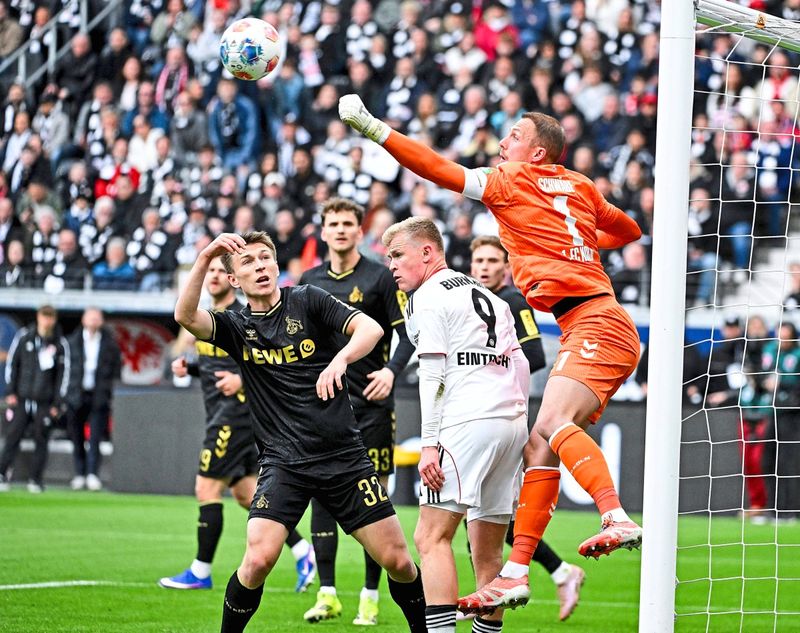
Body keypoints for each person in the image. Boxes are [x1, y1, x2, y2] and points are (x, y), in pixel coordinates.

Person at [340, 95, 643, 612]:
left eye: (514, 137)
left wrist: (374, 129)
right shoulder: (580, 185)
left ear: (537, 154)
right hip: (592, 320)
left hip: (595, 321)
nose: (503, 144)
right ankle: (517, 572)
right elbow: (630, 230)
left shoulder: (511, 181)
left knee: (550, 425)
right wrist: (578, 240)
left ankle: (614, 515)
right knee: (538, 447)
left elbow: (437, 168)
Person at [174, 231, 426, 633]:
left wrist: (340, 360)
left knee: (398, 560)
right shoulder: (236, 326)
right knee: (257, 561)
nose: (260, 266)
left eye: (265, 258)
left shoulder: (308, 300)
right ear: (234, 279)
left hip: (344, 458)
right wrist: (204, 257)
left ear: (276, 266)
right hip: (283, 463)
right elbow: (186, 318)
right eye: (248, 262)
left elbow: (371, 330)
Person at [381, 217, 529, 633]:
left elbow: (433, 374)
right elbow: (519, 363)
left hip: (467, 422)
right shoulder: (491, 297)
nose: (392, 265)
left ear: (427, 252)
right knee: (488, 552)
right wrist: (520, 424)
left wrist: (430, 443)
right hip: (510, 422)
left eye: (398, 255)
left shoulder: (426, 297)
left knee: (431, 538)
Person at [160, 256, 317, 593]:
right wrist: (192, 369)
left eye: (220, 271)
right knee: (247, 495)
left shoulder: (242, 317)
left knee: (206, 489)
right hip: (224, 413)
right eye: (211, 271)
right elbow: (217, 364)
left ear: (232, 278)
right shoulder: (209, 317)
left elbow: (270, 362)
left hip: (234, 417)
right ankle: (304, 552)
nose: (214, 276)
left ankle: (200, 570)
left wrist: (242, 381)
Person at [298, 198, 414, 625]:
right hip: (324, 408)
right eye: (334, 224)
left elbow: (409, 334)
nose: (341, 230)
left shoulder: (380, 277)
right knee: (321, 494)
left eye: (348, 223)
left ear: (359, 230)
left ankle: (370, 595)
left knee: (374, 500)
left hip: (371, 406)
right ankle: (327, 594)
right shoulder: (308, 281)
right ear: (323, 231)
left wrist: (391, 371)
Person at [470, 235, 586, 621]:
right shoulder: (474, 302)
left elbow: (534, 354)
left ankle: (497, 593)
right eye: (479, 260)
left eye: (492, 261)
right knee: (491, 517)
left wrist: (485, 369)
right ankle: (560, 573)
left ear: (506, 267)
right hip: (484, 416)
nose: (484, 267)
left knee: (489, 515)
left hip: (505, 416)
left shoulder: (512, 302)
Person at [0, 305, 70, 493]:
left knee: (42, 439)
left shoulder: (60, 343)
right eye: (44, 316)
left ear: (54, 319)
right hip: (22, 398)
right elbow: (13, 364)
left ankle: (35, 479)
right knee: (13, 436)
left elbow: (63, 375)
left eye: (50, 317)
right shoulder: (25, 337)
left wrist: (57, 403)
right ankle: (2, 473)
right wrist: (10, 391)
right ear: (38, 317)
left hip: (44, 401)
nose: (47, 321)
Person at [65, 307, 122, 492]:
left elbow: (116, 371)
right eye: (91, 317)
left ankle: (92, 474)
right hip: (77, 395)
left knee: (95, 437)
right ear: (83, 320)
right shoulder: (71, 342)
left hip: (98, 396)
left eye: (97, 318)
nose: (94, 321)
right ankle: (79, 473)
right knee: (76, 436)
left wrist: (110, 393)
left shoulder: (110, 344)